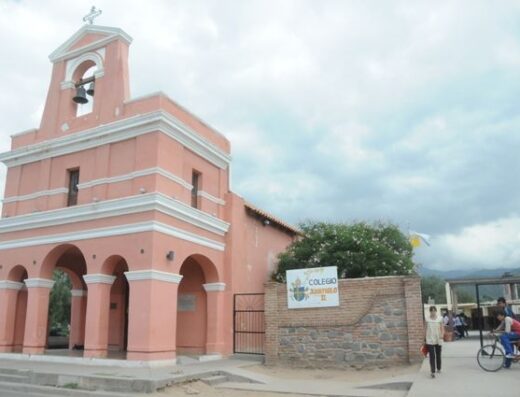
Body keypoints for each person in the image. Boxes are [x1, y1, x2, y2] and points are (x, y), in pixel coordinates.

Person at [425, 306, 444, 378]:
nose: (433, 312)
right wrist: (424, 338)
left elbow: (442, 328)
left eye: (434, 311)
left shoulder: (440, 319)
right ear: (430, 312)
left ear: (436, 311)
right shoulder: (427, 319)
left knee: (438, 354)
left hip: (438, 338)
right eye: (431, 311)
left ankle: (439, 368)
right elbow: (425, 328)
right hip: (429, 339)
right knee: (432, 356)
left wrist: (442, 334)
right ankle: (432, 371)